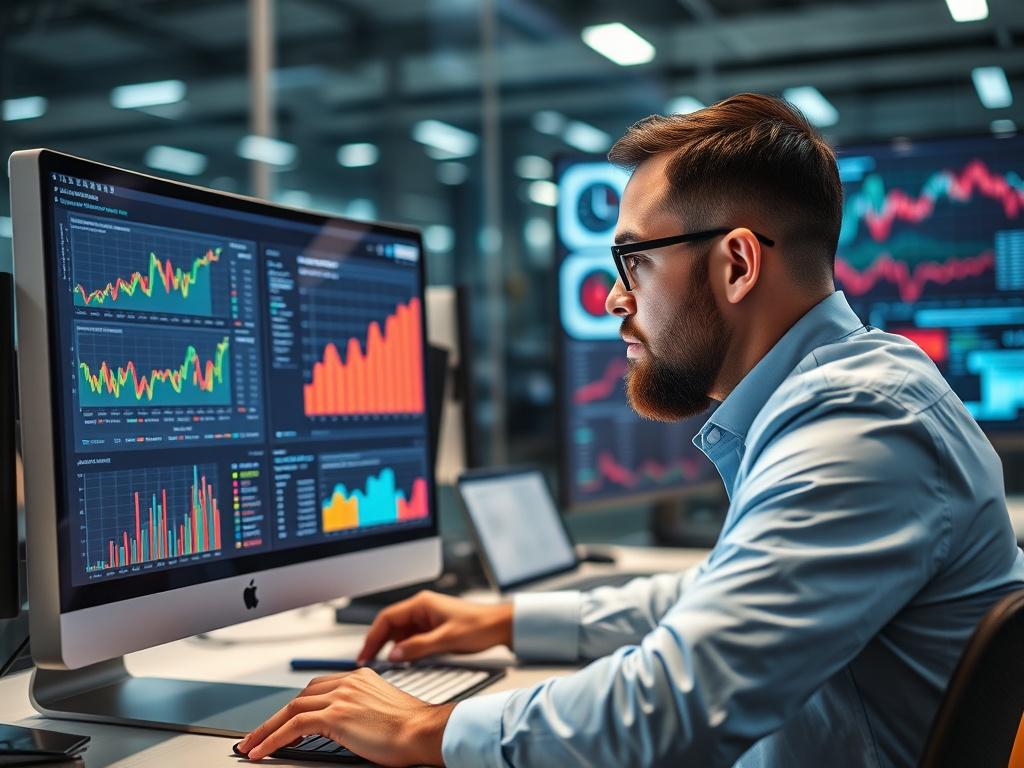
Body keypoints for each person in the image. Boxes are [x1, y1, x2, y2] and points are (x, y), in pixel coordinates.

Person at [238, 93, 1024, 766]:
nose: (616, 300)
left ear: (738, 264)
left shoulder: (859, 426)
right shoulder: (848, 395)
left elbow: (682, 700)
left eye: (633, 262)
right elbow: (729, 595)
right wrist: (507, 619)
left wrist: (431, 728)